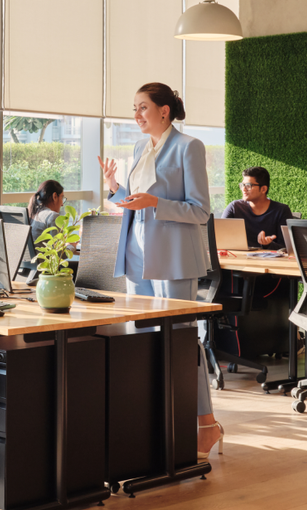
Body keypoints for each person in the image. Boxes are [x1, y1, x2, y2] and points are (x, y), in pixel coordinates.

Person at [98, 82, 224, 460]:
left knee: (180, 341)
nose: (137, 115)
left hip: (172, 258)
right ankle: (157, 422)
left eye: (143, 108)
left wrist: (157, 202)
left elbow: (200, 210)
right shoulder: (140, 148)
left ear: (164, 111)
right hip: (137, 257)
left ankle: (205, 424)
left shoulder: (189, 147)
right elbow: (135, 202)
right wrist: (114, 189)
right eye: (134, 108)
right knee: (145, 342)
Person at [221, 167, 294, 250]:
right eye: (242, 185)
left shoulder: (281, 210)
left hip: (268, 258)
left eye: (248, 186)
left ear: (263, 189)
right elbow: (219, 236)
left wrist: (268, 245)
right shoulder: (234, 207)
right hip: (238, 256)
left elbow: (287, 247)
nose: (244, 189)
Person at [28, 179, 66, 245]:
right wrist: (71, 246)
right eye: (62, 198)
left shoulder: (33, 213)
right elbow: (59, 251)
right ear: (55, 196)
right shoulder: (53, 216)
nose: (62, 204)